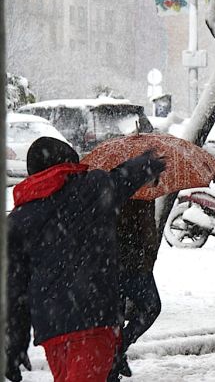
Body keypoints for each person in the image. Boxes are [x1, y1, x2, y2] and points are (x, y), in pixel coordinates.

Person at [6, 137, 166, 382]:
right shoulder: (90, 189)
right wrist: (149, 162)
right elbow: (121, 178)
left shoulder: (18, 219)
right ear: (70, 162)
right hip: (93, 319)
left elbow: (14, 290)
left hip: (52, 330)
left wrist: (15, 344)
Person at [109, 199, 162, 380]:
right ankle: (117, 352)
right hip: (130, 262)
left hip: (116, 260)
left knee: (116, 319)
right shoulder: (140, 191)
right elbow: (147, 231)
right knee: (150, 307)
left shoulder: (105, 185)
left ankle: (116, 353)